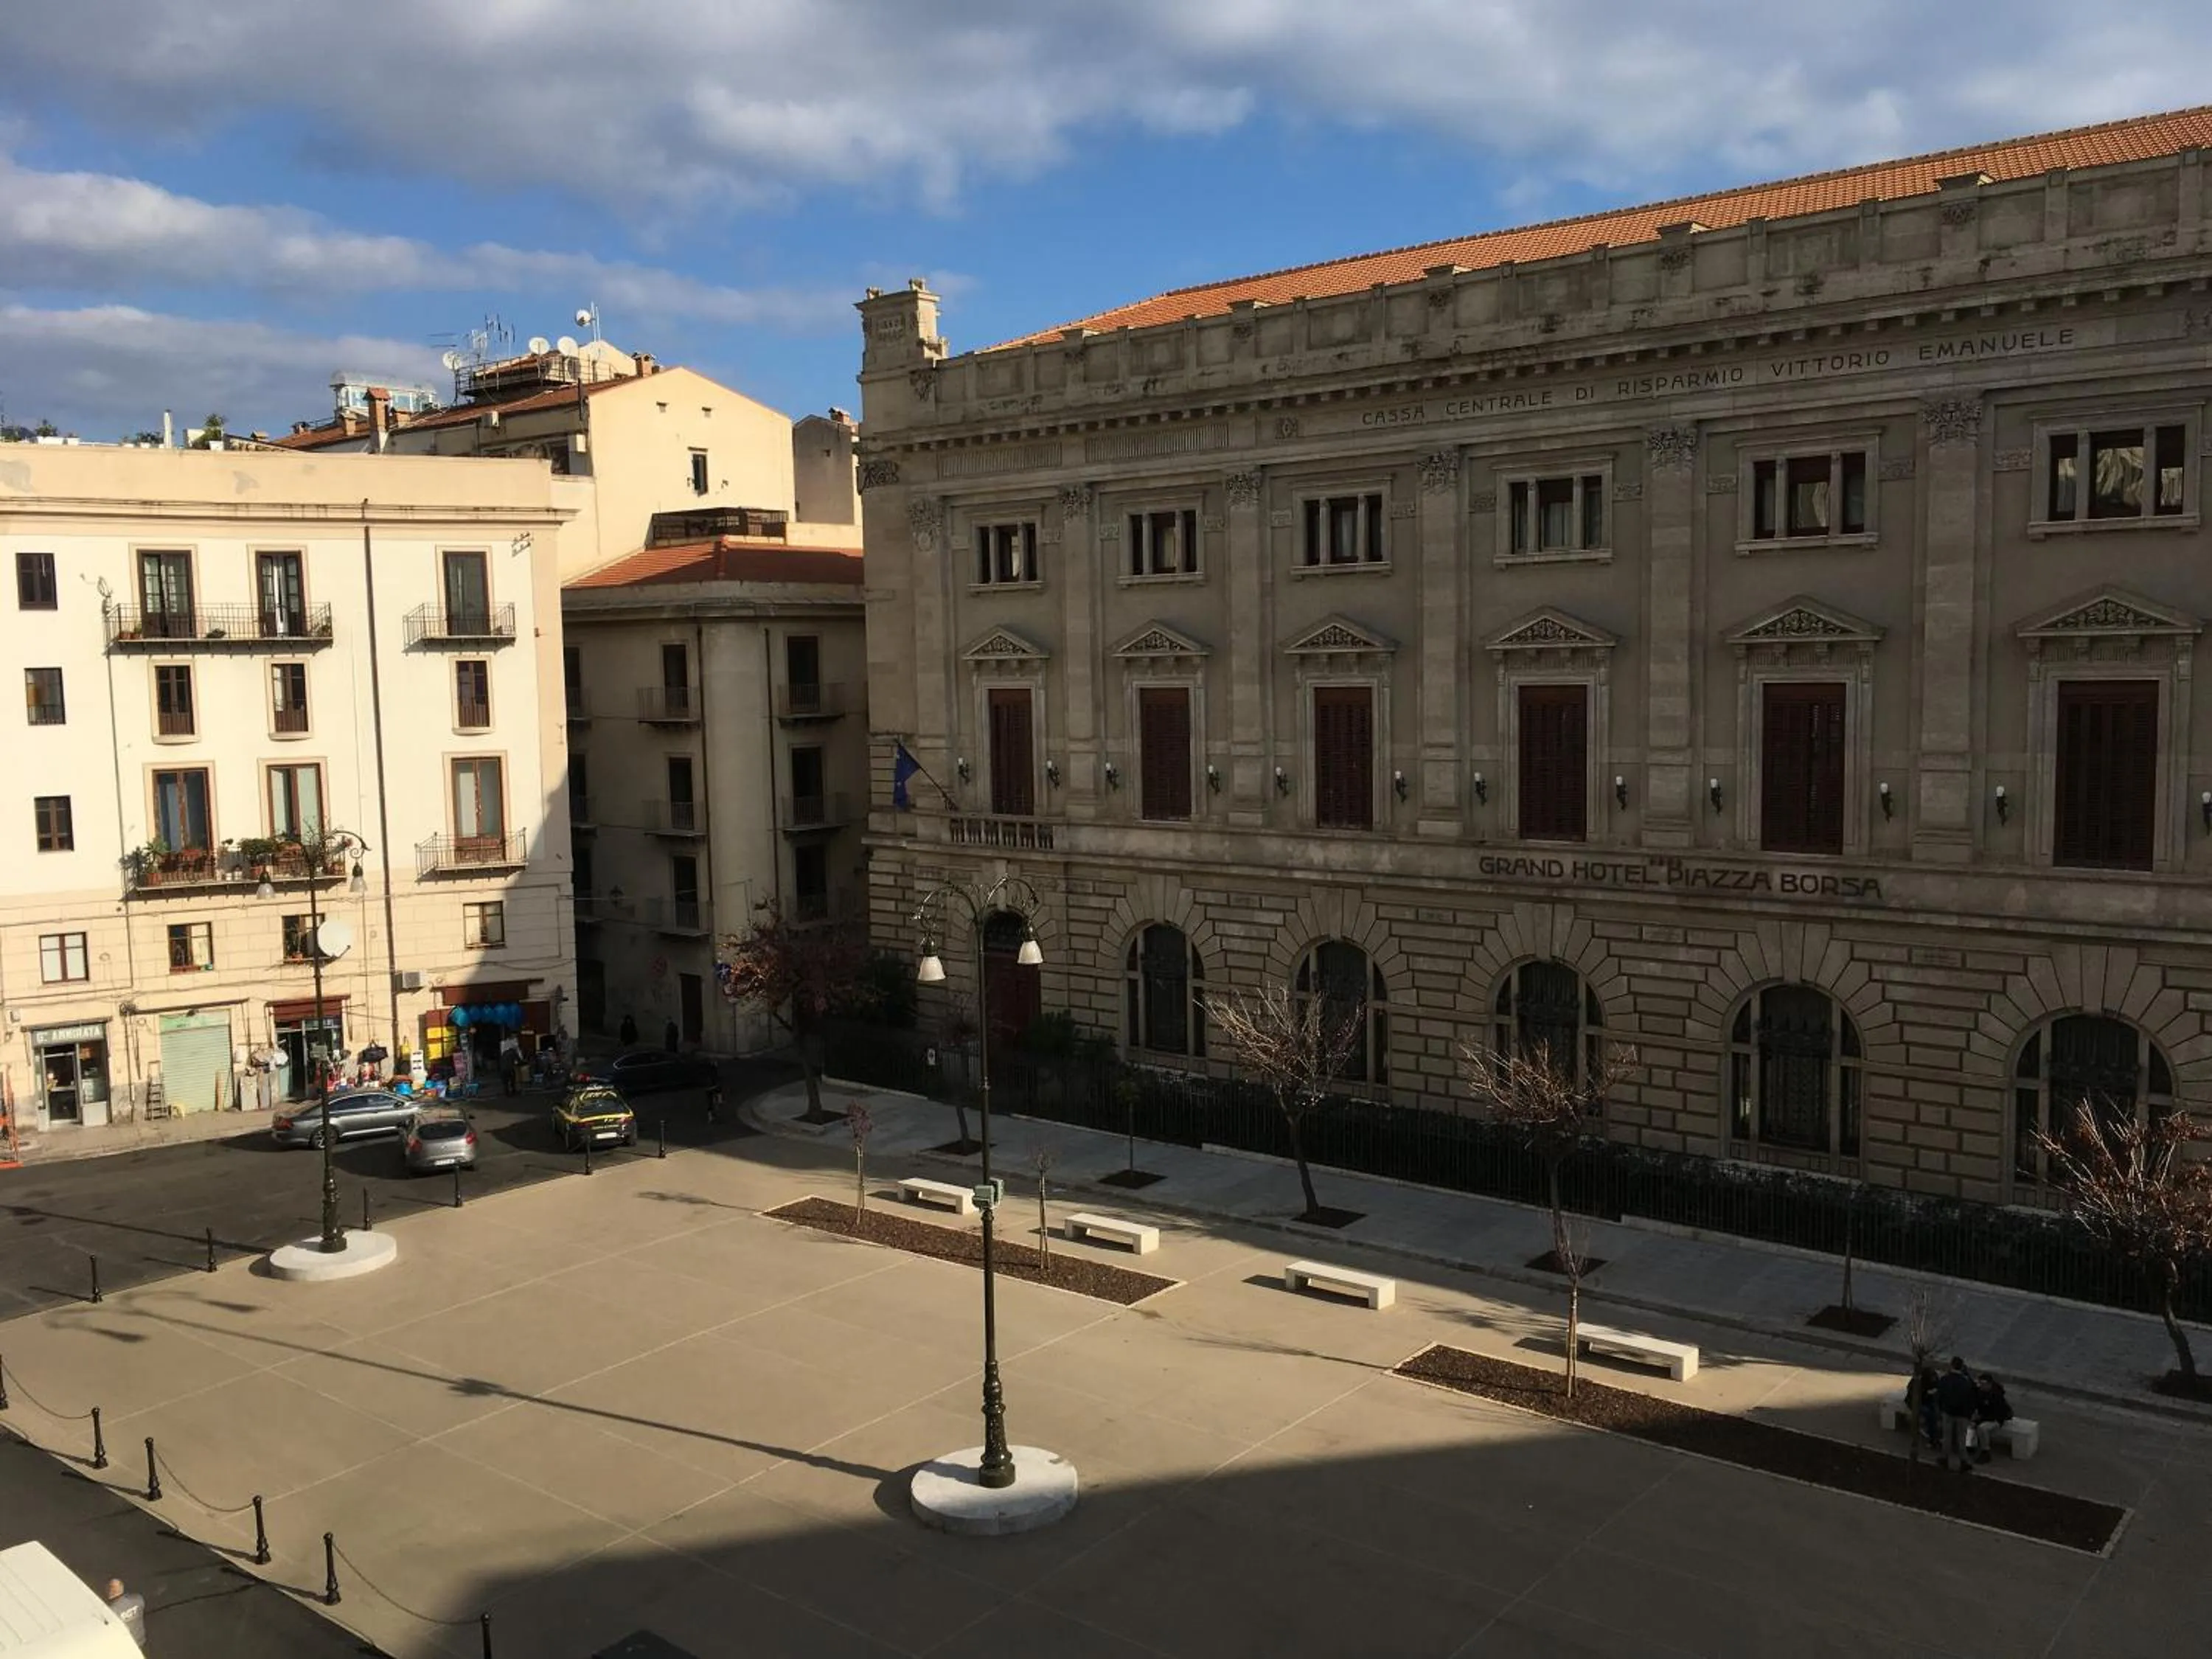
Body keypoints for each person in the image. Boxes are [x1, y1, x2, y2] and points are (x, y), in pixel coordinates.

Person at [1935, 1355, 1979, 1473]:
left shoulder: (1945, 1380)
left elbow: (1939, 1396)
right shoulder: (1966, 1383)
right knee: (1961, 1439)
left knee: (1947, 1437)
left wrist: (1940, 1409)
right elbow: (1971, 1400)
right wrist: (1969, 1414)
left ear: (1951, 1366)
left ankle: (1944, 1459)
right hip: (1962, 1415)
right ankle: (1964, 1462)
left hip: (1948, 1413)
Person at [1972, 1373, 2014, 1464]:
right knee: (1969, 1425)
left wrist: (1980, 1419)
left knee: (1982, 1429)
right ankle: (1970, 1447)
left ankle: (1985, 1451)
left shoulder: (1997, 1395)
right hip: (1984, 1416)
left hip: (1996, 1419)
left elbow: (1997, 1414)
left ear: (1989, 1384)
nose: (1981, 1386)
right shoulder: (1980, 1392)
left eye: (1983, 1384)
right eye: (1980, 1383)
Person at [105, 1578, 147, 1649]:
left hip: (125, 1647)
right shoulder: (138, 1599)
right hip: (140, 1641)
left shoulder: (111, 1611)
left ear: (110, 1591)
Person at [1911, 1363, 1941, 1452]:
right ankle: (1933, 1438)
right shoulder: (1919, 1382)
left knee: (1934, 1413)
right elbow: (1915, 1396)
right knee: (1931, 1415)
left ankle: (1933, 1436)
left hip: (1929, 1402)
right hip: (1920, 1403)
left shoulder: (1933, 1380)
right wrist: (1927, 1393)